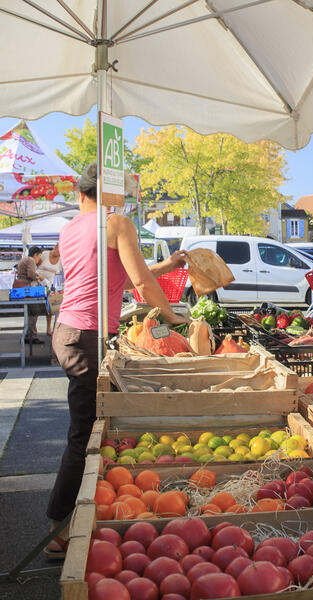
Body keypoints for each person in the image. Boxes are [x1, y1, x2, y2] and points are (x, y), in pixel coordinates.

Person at [44, 163, 189, 559]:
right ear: (111, 193)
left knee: (89, 426)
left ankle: (79, 514)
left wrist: (170, 266)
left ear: (81, 193)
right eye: (123, 193)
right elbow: (140, 283)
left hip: (68, 332)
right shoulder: (117, 223)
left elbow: (121, 275)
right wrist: (175, 317)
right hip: (88, 336)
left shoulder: (71, 227)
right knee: (84, 432)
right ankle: (58, 529)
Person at [15, 245, 46, 343]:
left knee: (29, 313)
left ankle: (28, 335)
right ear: (36, 254)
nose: (39, 259)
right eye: (39, 256)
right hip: (27, 289)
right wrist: (39, 277)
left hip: (20, 288)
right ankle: (32, 336)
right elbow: (31, 274)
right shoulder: (31, 260)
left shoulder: (24, 259)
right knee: (33, 312)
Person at [38, 243, 62, 336]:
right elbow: (36, 264)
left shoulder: (61, 259)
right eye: (58, 250)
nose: (59, 253)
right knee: (36, 306)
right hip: (38, 280)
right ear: (55, 248)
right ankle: (33, 330)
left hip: (49, 283)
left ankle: (49, 329)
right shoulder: (45, 254)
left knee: (51, 306)